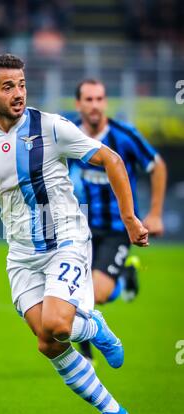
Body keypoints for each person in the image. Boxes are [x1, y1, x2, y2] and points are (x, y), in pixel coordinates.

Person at [0, 54, 148, 414]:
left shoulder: (51, 126)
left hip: (65, 239)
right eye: (8, 87)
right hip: (21, 254)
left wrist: (130, 218)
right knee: (47, 342)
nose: (18, 93)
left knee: (58, 323)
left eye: (22, 84)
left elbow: (112, 160)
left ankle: (94, 328)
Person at [69, 79, 166, 361]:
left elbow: (156, 165)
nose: (95, 105)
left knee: (97, 293)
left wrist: (156, 214)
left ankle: (124, 277)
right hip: (83, 226)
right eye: (88, 99)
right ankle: (86, 344)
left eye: (99, 99)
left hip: (117, 229)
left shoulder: (124, 135)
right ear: (78, 104)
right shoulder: (71, 134)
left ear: (105, 102)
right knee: (73, 287)